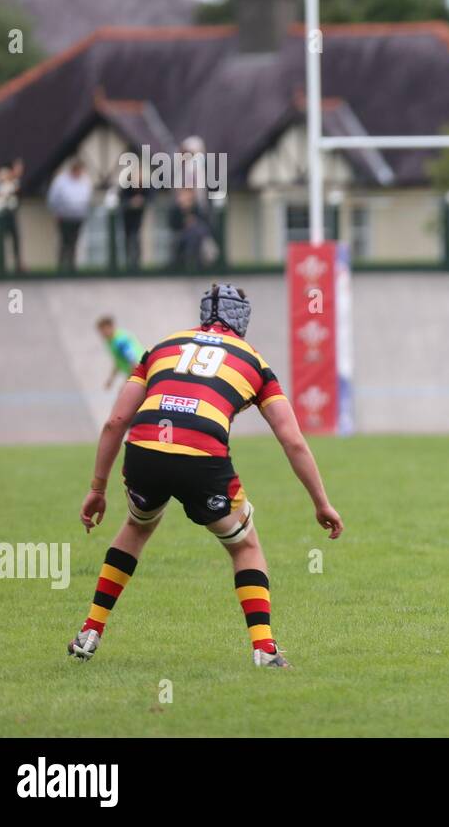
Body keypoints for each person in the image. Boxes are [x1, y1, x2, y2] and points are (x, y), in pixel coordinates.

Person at [68, 283, 343, 668]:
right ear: (242, 319)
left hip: (145, 450)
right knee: (245, 546)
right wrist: (321, 503)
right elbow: (292, 441)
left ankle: (89, 633)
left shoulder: (162, 347)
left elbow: (115, 422)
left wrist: (97, 488)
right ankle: (264, 649)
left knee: (136, 526)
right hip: (203, 458)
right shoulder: (254, 361)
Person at [47, 160, 93, 273]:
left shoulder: (85, 180)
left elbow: (87, 198)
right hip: (64, 216)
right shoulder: (61, 181)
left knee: (74, 241)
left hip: (78, 216)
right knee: (64, 241)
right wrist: (56, 212)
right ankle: (61, 266)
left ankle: (72, 266)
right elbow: (53, 198)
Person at [96, 315, 145, 390]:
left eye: (103, 330)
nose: (102, 334)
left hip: (141, 371)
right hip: (137, 372)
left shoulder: (120, 341)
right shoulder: (110, 342)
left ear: (111, 327)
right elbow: (118, 362)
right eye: (100, 331)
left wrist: (128, 382)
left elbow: (134, 363)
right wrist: (111, 380)